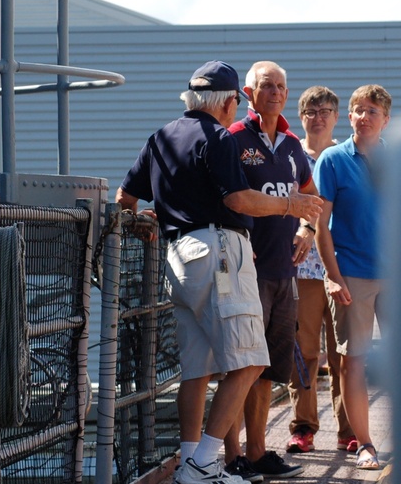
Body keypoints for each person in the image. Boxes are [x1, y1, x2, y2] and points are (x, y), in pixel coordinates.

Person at [116, 61, 323, 484]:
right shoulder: (219, 137)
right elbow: (239, 201)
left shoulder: (160, 136)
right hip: (221, 252)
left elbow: (125, 198)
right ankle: (205, 461)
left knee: (198, 367)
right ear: (231, 101)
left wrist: (145, 223)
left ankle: (191, 460)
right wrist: (292, 206)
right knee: (250, 361)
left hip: (178, 255)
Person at [221, 61, 318, 482]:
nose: (275, 92)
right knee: (240, 366)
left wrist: (308, 228)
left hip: (285, 274)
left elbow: (310, 197)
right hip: (245, 273)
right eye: (267, 86)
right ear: (248, 92)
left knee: (268, 369)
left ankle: (259, 454)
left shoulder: (294, 145)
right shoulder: (233, 139)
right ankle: (231, 457)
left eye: (281, 86)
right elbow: (227, 200)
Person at [313, 84, 392, 471]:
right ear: (350, 117)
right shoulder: (332, 159)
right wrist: (332, 276)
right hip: (352, 277)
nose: (364, 116)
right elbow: (320, 225)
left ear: (386, 120)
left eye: (373, 111)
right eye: (359, 110)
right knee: (353, 362)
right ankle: (365, 444)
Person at [285, 86, 355, 455]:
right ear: (302, 116)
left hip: (342, 267)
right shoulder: (289, 155)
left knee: (345, 353)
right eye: (311, 111)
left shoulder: (347, 156)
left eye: (326, 110)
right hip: (301, 271)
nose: (319, 117)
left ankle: (350, 431)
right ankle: (304, 428)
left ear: (337, 116)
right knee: (305, 352)